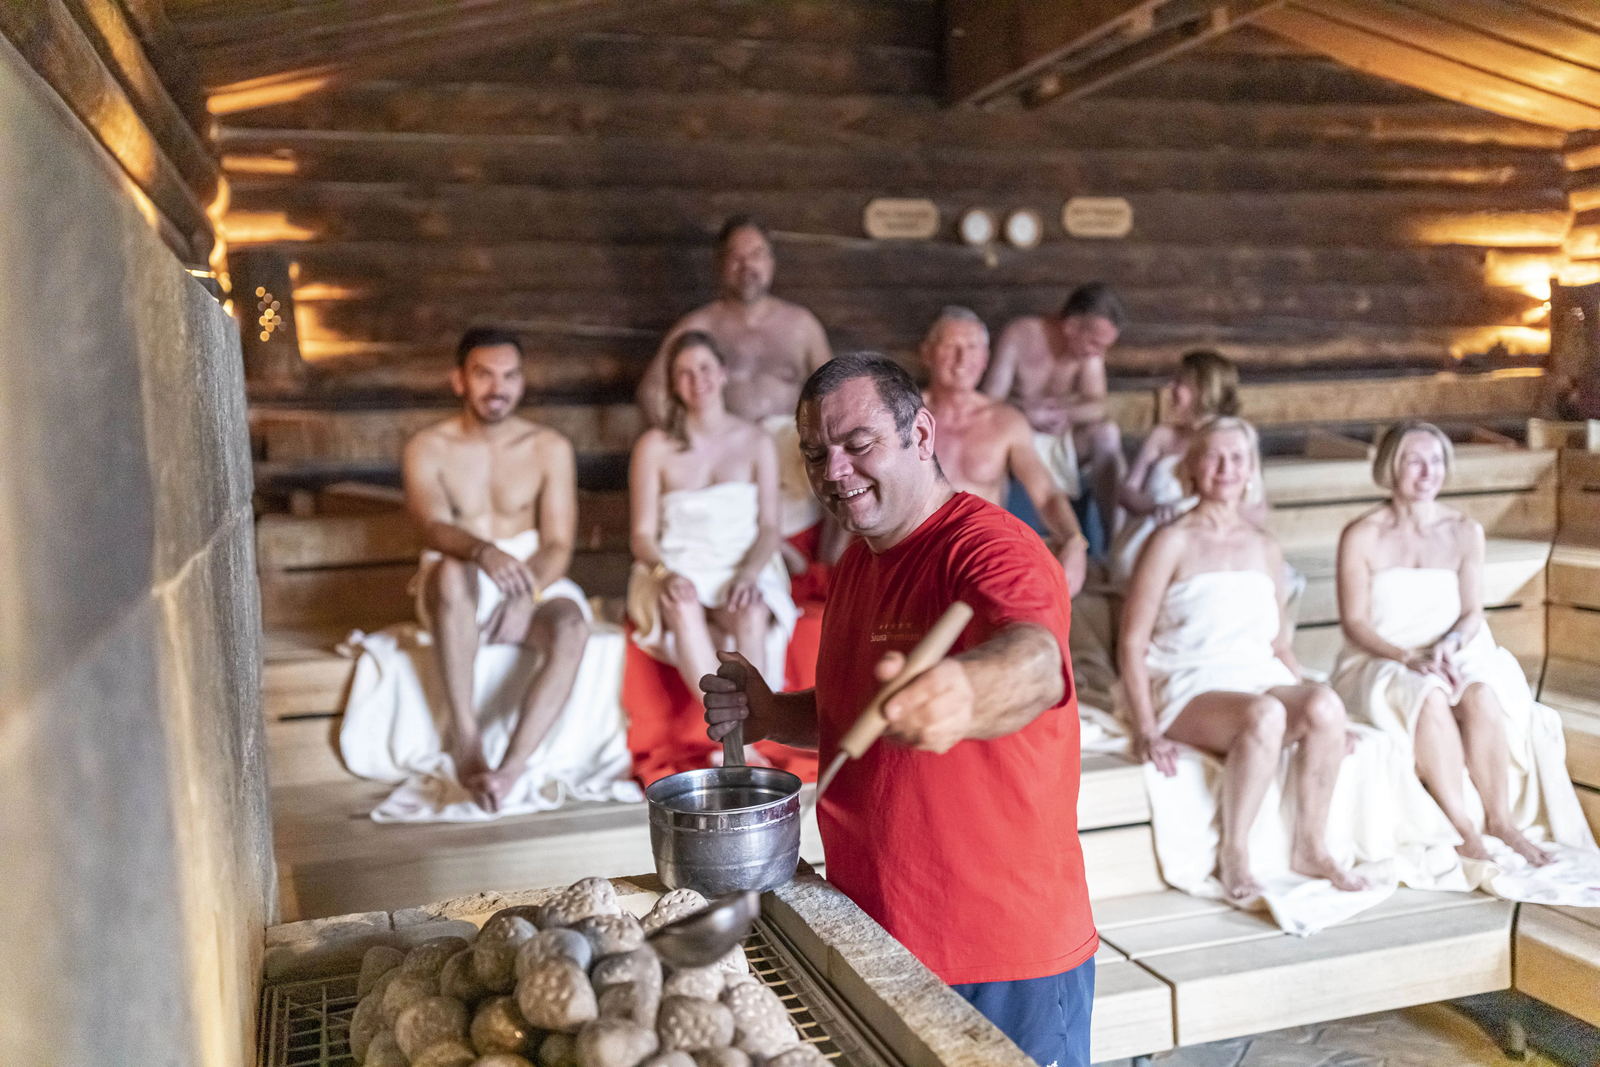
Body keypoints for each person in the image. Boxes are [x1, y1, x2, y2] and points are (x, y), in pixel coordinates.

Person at [701, 355, 1096, 1067]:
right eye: (817, 454)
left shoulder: (991, 546)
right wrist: (769, 713)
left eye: (859, 443)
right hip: (880, 937)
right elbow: (857, 712)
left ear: (920, 433)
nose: (837, 471)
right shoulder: (861, 560)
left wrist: (969, 693)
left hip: (1001, 951)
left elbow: (1037, 663)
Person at [1119, 418, 1366, 900]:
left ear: (1251, 470)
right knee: (1266, 714)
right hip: (1188, 683)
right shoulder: (1170, 541)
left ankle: (1311, 847)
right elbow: (1131, 642)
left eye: (1237, 458)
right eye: (1213, 456)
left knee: (1325, 705)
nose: (1226, 468)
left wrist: (1330, 725)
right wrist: (1146, 729)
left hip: (1258, 675)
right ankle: (1235, 852)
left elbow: (1278, 644)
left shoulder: (1264, 546)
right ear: (1191, 468)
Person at [1334, 422, 1596, 867]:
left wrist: (1450, 645)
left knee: (1480, 693)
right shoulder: (1362, 535)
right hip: (1381, 656)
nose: (1427, 472)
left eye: (1436, 461)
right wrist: (1408, 658)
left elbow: (1472, 613)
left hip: (1451, 648)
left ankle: (1502, 822)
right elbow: (1355, 622)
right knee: (1430, 696)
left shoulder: (1464, 531)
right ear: (1391, 467)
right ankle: (1463, 828)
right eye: (1414, 461)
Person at [401, 327, 594, 812]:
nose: (498, 387)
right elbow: (432, 527)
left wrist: (523, 591)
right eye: (484, 375)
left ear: (523, 382)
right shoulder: (428, 446)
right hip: (459, 573)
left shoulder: (549, 447)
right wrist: (483, 552)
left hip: (529, 577)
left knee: (572, 625)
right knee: (448, 569)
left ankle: (511, 767)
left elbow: (557, 544)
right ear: (459, 381)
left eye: (509, 376)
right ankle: (467, 739)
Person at [637, 216, 835, 548]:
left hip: (792, 452)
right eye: (736, 257)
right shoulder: (697, 326)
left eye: (756, 254)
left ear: (771, 262)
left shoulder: (801, 325)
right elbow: (651, 392)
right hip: (729, 458)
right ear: (720, 265)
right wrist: (694, 444)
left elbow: (834, 394)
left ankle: (829, 573)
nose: (747, 266)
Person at [628, 331, 797, 712]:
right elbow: (641, 535)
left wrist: (749, 574)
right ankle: (732, 739)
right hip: (673, 565)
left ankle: (749, 731)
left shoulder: (756, 441)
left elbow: (770, 527)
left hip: (742, 564)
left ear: (721, 373)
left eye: (704, 368)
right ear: (674, 385)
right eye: (684, 373)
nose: (697, 380)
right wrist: (662, 573)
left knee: (751, 610)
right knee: (682, 604)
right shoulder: (654, 447)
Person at [920, 306, 1089, 596]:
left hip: (979, 561)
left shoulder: (1005, 421)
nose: (962, 359)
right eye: (951, 347)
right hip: (915, 558)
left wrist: (1075, 541)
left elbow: (1046, 494)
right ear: (927, 353)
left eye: (972, 348)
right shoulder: (903, 415)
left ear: (985, 359)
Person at [984, 281, 1128, 547]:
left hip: (1063, 438)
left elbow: (1098, 405)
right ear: (1071, 326)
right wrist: (1026, 415)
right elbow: (990, 401)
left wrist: (1066, 413)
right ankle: (997, 544)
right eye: (1095, 343)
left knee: (1107, 435)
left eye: (1105, 346)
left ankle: (1111, 541)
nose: (1099, 353)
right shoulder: (1021, 334)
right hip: (1019, 436)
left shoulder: (1090, 355)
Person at [1112, 350, 1242, 583]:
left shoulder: (1234, 441)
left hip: (1211, 536)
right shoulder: (1162, 436)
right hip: (1153, 532)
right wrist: (1155, 508)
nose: (1171, 387)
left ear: (1203, 390)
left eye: (1181, 382)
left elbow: (1255, 508)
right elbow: (1126, 492)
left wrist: (1194, 515)